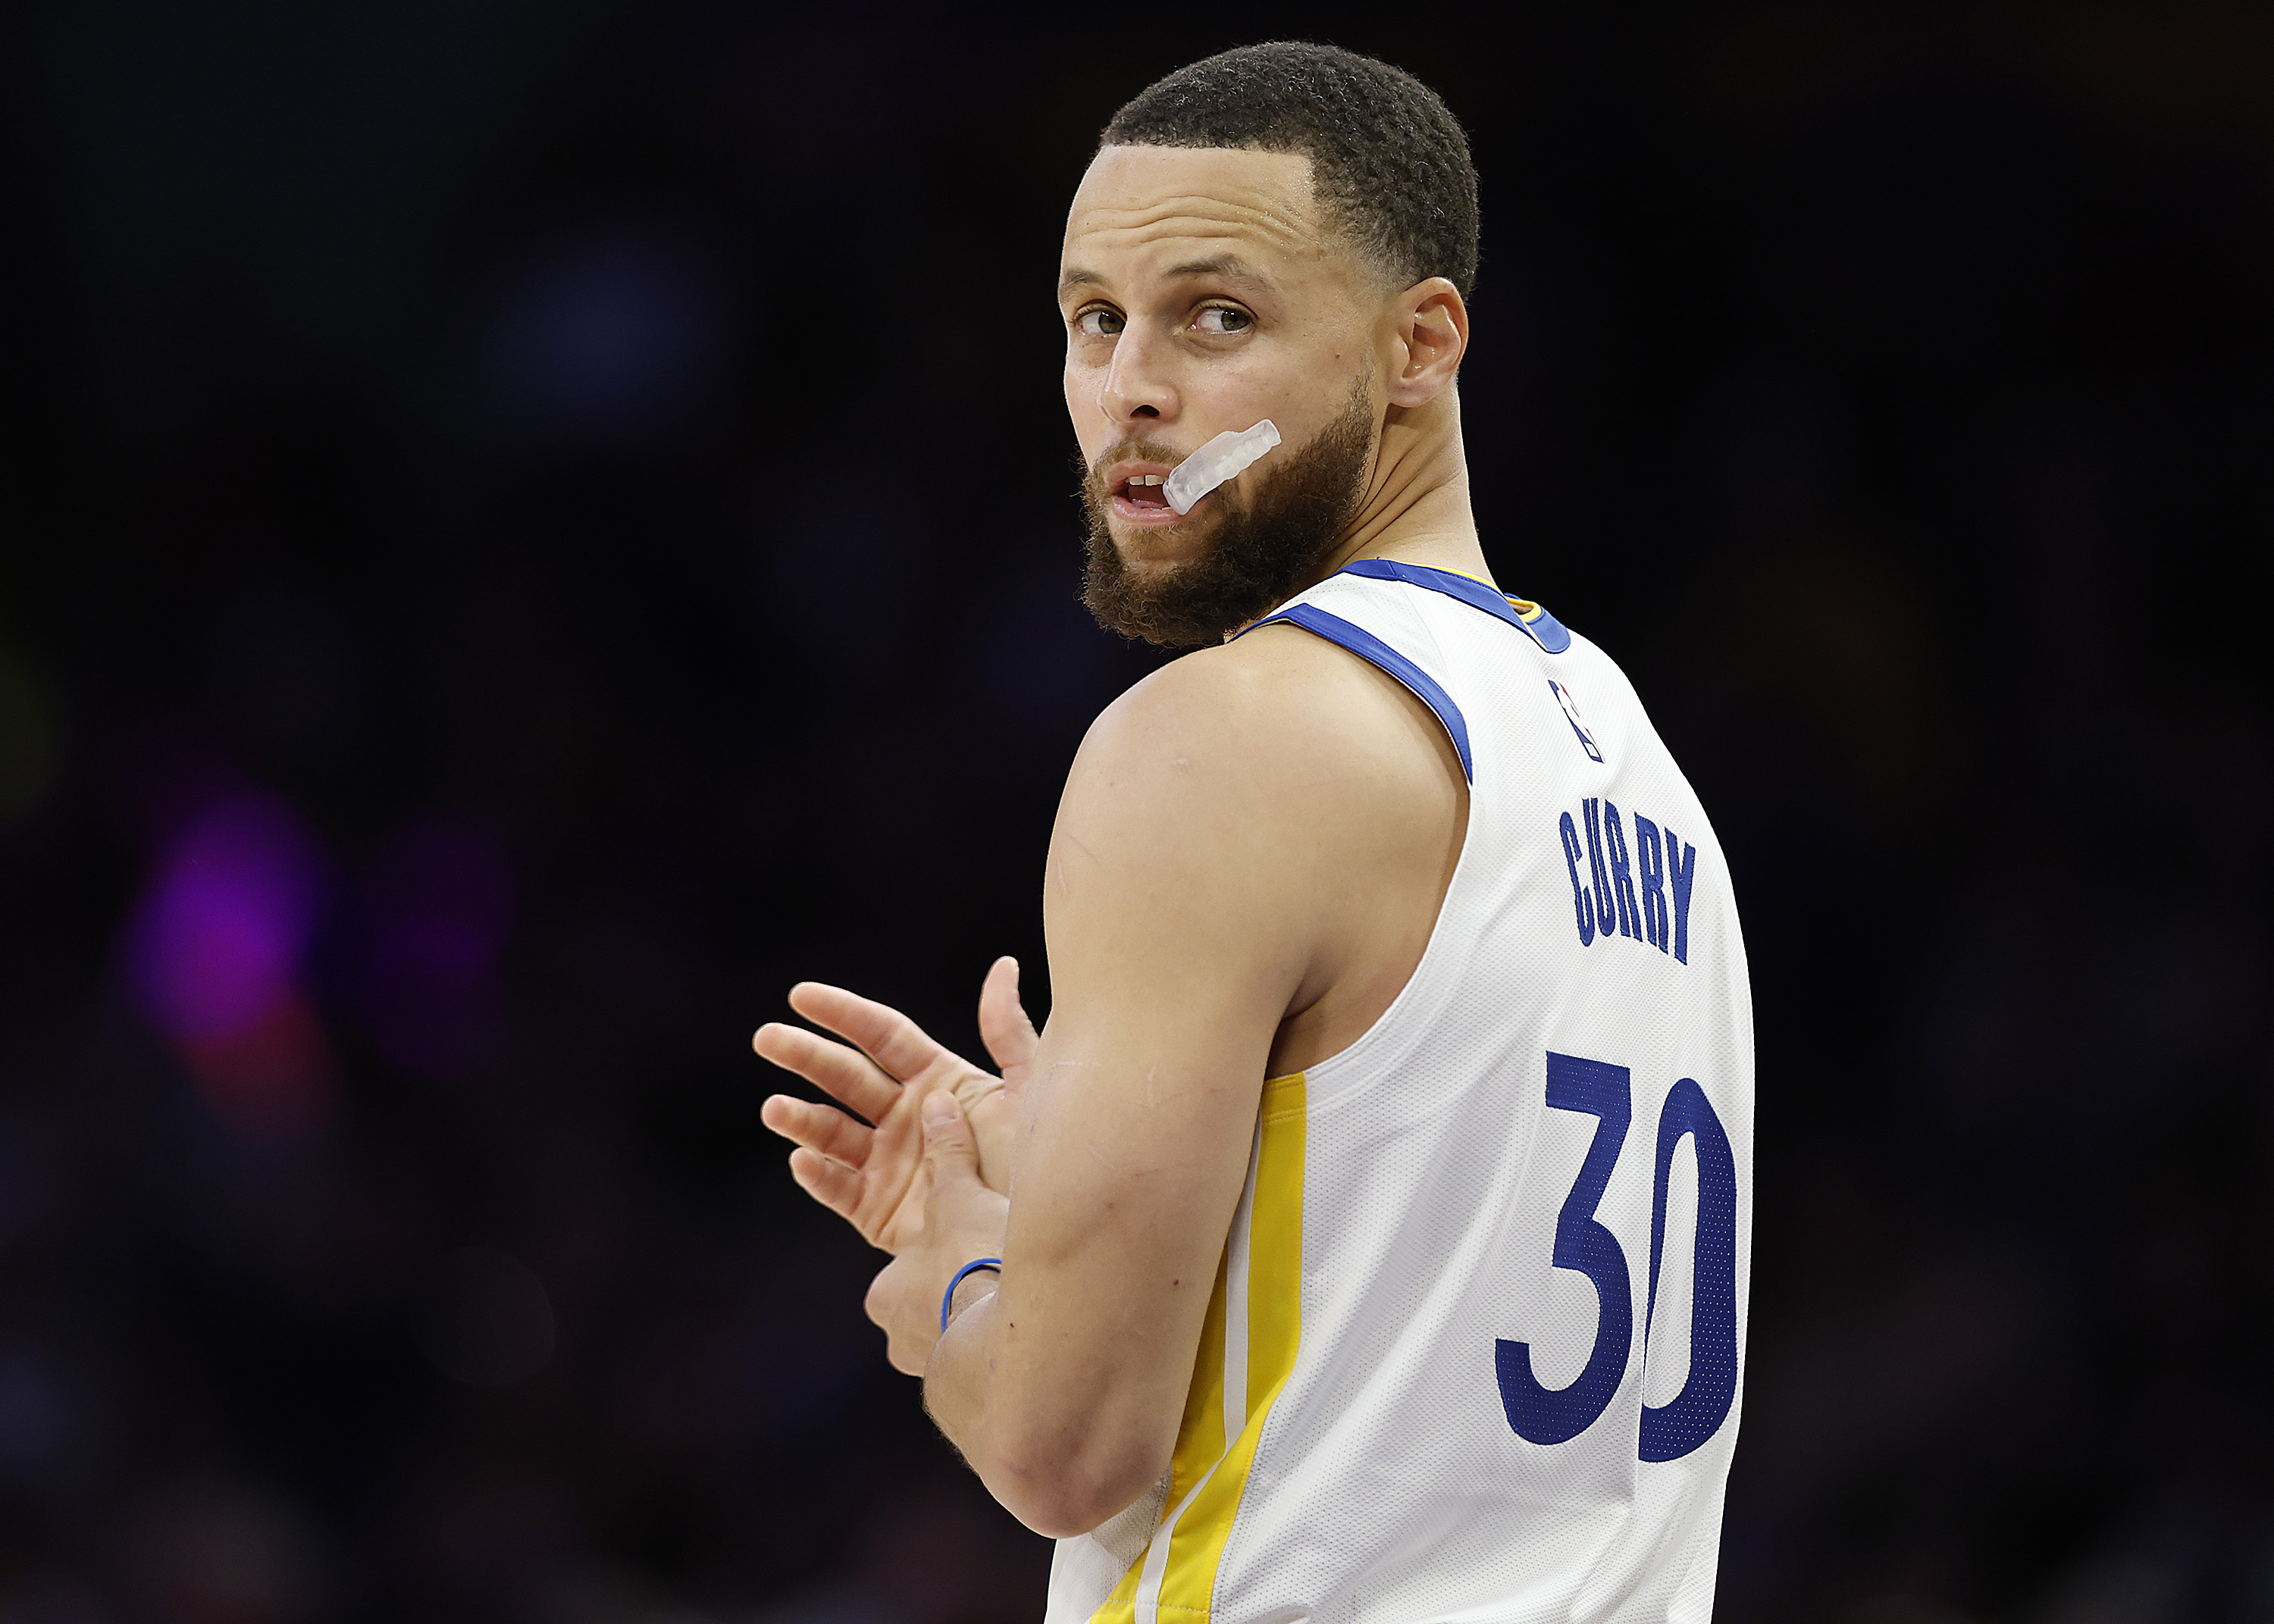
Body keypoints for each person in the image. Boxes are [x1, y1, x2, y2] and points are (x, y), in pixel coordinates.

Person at [753, 42, 1753, 1624]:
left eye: (1216, 317)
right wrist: (1076, 1183)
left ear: (1420, 342)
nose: (1132, 389)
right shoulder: (1632, 762)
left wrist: (956, 1269)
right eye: (1096, 319)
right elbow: (1426, 1316)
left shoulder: (1221, 739)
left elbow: (1065, 1447)